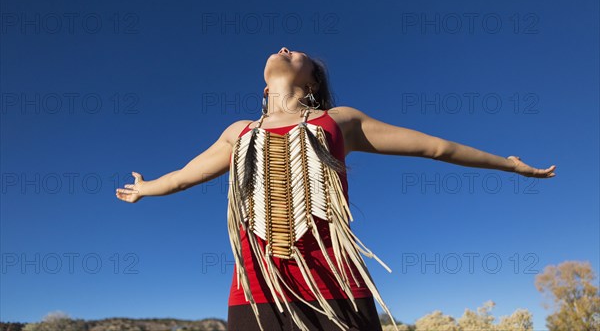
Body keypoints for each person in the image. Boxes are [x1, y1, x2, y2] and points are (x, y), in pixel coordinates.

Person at [115, 47, 557, 331]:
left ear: (311, 85)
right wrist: (146, 188)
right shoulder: (238, 131)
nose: (287, 48)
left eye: (299, 53)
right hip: (257, 290)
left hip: (336, 285)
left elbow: (435, 147)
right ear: (263, 86)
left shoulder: (338, 121)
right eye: (285, 50)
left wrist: (508, 164)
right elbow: (187, 174)